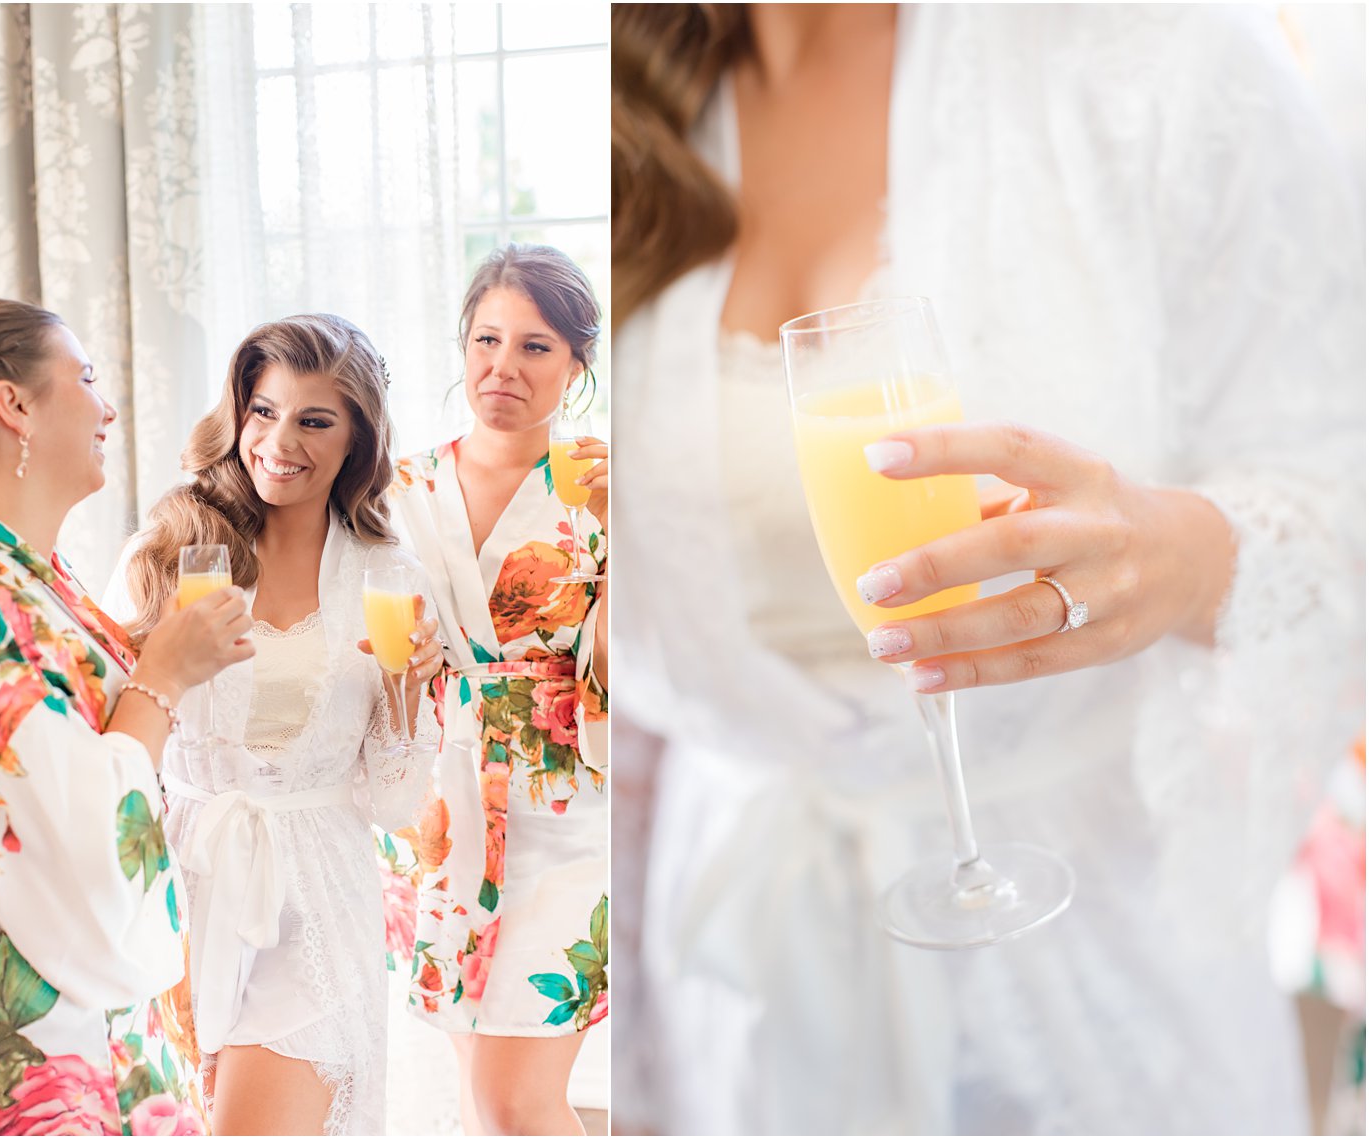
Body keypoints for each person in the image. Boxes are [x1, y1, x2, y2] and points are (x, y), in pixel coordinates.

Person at [611, 5, 1363, 1135]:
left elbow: (1339, 480)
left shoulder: (1155, 57)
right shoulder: (619, 93)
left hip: (1092, 997)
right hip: (728, 981)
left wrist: (1186, 557)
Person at [0, 297, 248, 1135]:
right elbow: (81, 839)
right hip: (16, 1021)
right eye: (85, 377)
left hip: (67, 998)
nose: (106, 406)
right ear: (15, 405)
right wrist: (160, 681)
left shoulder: (23, 575)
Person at [110, 314, 444, 1136]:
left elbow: (396, 802)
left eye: (314, 419)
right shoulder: (164, 552)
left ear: (355, 440)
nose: (279, 440)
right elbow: (117, 739)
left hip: (316, 900)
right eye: (264, 411)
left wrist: (405, 690)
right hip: (180, 882)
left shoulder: (388, 575)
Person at [386, 244, 609, 1135]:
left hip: (570, 809)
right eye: (487, 338)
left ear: (576, 364)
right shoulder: (398, 489)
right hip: (437, 817)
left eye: (535, 347)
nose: (502, 366)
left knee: (514, 1104)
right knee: (493, 1102)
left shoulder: (606, 485)